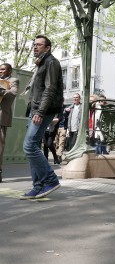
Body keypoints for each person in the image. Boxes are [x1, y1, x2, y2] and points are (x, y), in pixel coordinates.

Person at [21, 35, 63, 199]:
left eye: (39, 45)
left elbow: (50, 88)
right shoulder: (41, 62)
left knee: (29, 145)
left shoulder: (51, 62)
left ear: (48, 48)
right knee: (33, 147)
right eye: (34, 45)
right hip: (35, 109)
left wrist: (40, 112)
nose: (35, 47)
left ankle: (50, 180)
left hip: (43, 110)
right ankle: (38, 186)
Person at [0, 63, 19, 183]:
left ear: (9, 70)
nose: (0, 71)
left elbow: (13, 93)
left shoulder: (13, 80)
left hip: (1, 115)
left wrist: (1, 91)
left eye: (3, 69)